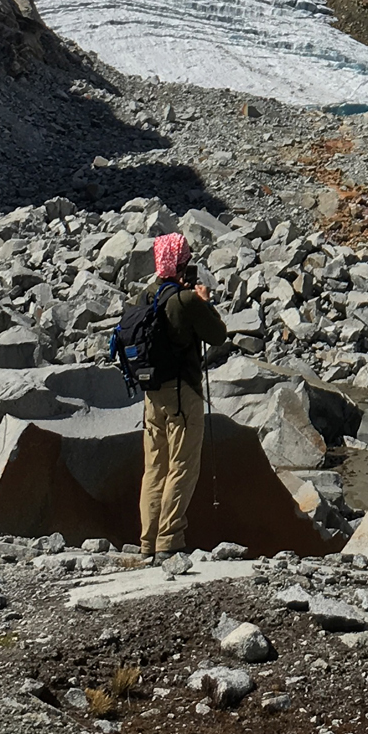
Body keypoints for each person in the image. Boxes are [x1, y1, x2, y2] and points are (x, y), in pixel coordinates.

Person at [135, 230, 229, 559]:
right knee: (182, 466)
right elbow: (217, 335)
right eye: (187, 260)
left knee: (155, 467)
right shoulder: (187, 300)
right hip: (182, 394)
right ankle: (170, 539)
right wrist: (204, 301)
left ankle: (148, 543)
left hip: (151, 395)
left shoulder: (146, 297)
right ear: (181, 263)